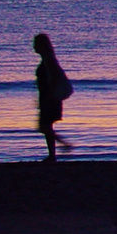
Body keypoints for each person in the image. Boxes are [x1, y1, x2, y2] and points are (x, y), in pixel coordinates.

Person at [33, 33, 73, 161]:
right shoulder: (47, 58)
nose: (34, 47)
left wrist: (50, 95)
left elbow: (54, 77)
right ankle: (53, 154)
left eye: (36, 44)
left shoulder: (48, 59)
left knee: (44, 126)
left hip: (50, 97)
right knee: (45, 126)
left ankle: (62, 147)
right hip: (47, 96)